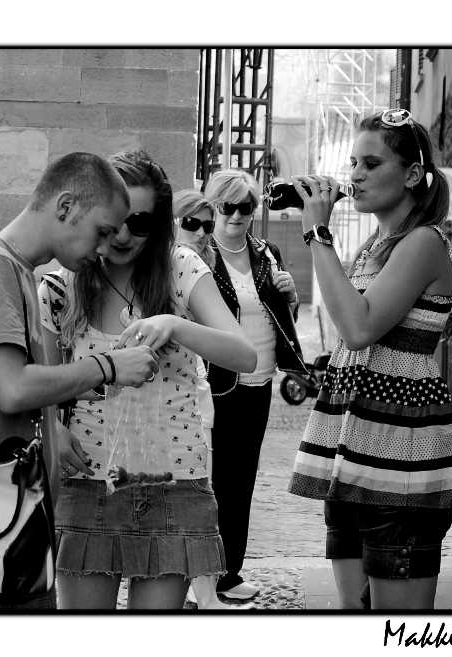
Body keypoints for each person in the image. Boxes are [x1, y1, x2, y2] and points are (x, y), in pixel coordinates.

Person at [0, 152, 158, 611]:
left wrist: (73, 386)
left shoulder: (10, 266)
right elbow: (10, 389)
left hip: (6, 518)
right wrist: (106, 367)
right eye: (103, 231)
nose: (106, 248)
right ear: (66, 206)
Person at [39, 150, 257, 610]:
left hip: (174, 481)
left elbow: (244, 355)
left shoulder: (181, 268)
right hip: (86, 479)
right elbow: (39, 382)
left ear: (157, 225)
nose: (123, 235)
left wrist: (176, 325)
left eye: (140, 223)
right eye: (115, 220)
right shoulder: (63, 285)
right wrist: (49, 430)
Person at [288, 108, 452, 610]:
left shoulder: (424, 242)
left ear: (413, 174)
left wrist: (317, 236)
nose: (354, 176)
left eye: (371, 163)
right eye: (353, 163)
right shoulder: (375, 245)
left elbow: (359, 327)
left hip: (402, 458)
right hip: (353, 453)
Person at [203, 169, 309, 600]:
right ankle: (202, 574)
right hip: (216, 382)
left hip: (260, 380)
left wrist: (291, 297)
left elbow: (284, 319)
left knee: (242, 477)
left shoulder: (266, 253)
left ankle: (229, 573)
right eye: (226, 206)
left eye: (245, 207)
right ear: (213, 207)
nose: (235, 215)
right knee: (212, 479)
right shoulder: (200, 255)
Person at [172, 189, 254, 610]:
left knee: (202, 497)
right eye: (192, 223)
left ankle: (204, 592)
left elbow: (233, 336)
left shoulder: (201, 265)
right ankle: (196, 591)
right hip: (161, 401)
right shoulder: (167, 265)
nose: (203, 232)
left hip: (196, 392)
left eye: (208, 225)